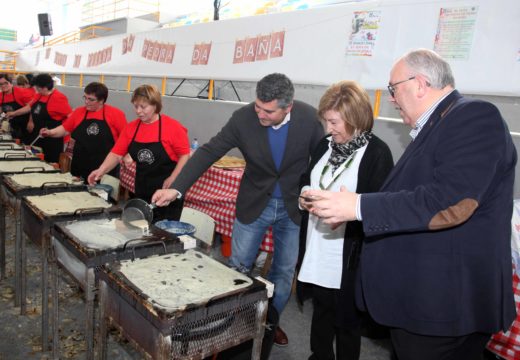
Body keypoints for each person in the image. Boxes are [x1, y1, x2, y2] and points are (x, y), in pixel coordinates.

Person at [305, 48, 517, 360]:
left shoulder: (473, 116)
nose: (391, 98)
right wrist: (353, 213)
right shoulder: (436, 127)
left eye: (393, 89)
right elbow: (412, 201)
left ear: (419, 83)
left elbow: (451, 201)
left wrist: (359, 207)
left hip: (444, 306)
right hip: (425, 304)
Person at [152, 73, 324, 346]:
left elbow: (324, 158)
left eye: (268, 111)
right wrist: (177, 188)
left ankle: (270, 322)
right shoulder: (243, 118)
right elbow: (209, 151)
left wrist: (317, 194)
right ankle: (231, 324)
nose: (260, 114)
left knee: (283, 271)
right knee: (238, 266)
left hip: (294, 208)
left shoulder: (310, 119)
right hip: (254, 203)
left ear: (287, 107)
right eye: (257, 106)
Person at [297, 80, 393, 360]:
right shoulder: (324, 145)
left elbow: (381, 209)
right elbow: (308, 178)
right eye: (326, 121)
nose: (329, 129)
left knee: (347, 321)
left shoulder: (377, 154)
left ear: (355, 117)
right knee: (322, 311)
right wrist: (304, 195)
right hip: (319, 245)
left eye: (335, 122)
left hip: (349, 253)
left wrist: (348, 217)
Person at [88, 84, 189, 221]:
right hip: (142, 188)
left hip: (168, 191)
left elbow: (184, 155)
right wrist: (101, 170)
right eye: (136, 106)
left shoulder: (172, 127)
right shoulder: (131, 128)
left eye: (143, 107)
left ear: (155, 105)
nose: (138, 111)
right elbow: (116, 154)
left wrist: (174, 179)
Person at [39, 82, 127, 181]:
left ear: (101, 100)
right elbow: (64, 129)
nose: (86, 102)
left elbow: (126, 140)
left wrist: (126, 156)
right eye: (85, 97)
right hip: (79, 165)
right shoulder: (78, 112)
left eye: (91, 99)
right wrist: (50, 132)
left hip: (104, 169)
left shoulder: (116, 114)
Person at [6, 73, 72, 162]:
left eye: (37, 88)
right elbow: (29, 107)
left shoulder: (58, 98)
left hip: (52, 139)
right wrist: (14, 113)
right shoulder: (39, 95)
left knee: (49, 162)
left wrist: (69, 137)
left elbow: (71, 117)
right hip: (38, 134)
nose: (36, 90)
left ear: (44, 88)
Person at [0, 73, 34, 143]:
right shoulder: (1, 96)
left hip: (24, 126)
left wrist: (31, 122)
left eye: (5, 83)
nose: (3, 86)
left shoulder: (21, 92)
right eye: (1, 84)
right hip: (12, 128)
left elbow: (32, 107)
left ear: (11, 83)